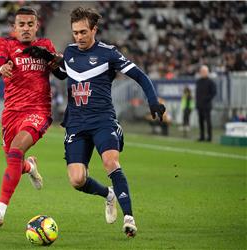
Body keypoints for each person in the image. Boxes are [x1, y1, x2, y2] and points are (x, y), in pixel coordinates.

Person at [23, 7, 165, 238]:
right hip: (76, 123)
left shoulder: (108, 54)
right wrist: (48, 59)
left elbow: (140, 75)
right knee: (77, 180)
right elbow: (65, 74)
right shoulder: (69, 52)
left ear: (94, 30)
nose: (78, 37)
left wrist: (153, 102)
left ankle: (129, 218)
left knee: (111, 162)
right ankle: (109, 195)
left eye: (82, 32)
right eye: (75, 33)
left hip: (102, 120)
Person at [0, 6, 61, 227]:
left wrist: (57, 60)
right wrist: (2, 68)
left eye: (30, 24)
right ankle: (30, 167)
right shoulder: (6, 43)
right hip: (11, 114)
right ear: (14, 27)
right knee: (13, 160)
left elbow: (60, 71)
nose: (26, 28)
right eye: (21, 25)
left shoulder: (45, 45)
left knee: (16, 150)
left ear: (37, 26)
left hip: (38, 111)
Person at [195, 65, 216, 142]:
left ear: (207, 72)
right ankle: (202, 136)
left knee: (208, 121)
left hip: (207, 105)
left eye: (204, 71)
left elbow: (213, 93)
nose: (203, 73)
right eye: (201, 71)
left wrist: (206, 99)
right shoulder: (198, 81)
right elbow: (197, 94)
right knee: (200, 122)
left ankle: (209, 137)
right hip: (199, 105)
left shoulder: (211, 82)